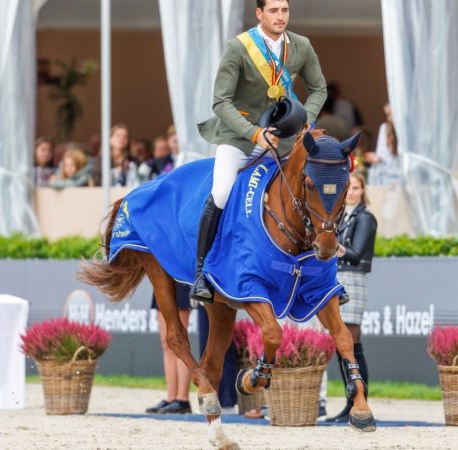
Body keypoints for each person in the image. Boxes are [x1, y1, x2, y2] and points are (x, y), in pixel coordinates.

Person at [191, 0, 327, 302]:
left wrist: (307, 119)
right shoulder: (238, 48)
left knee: (310, 189)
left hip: (284, 138)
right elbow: (220, 102)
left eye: (285, 10)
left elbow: (319, 89)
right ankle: (201, 273)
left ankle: (318, 275)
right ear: (259, 13)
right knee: (223, 192)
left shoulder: (301, 46)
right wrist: (253, 133)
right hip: (241, 138)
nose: (280, 17)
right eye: (274, 11)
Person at [326, 172, 377, 423]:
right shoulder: (341, 216)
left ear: (362, 190)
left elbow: (356, 253)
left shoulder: (365, 217)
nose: (352, 192)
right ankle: (350, 400)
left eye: (356, 188)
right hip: (339, 277)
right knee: (341, 344)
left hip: (354, 279)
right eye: (349, 188)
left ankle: (359, 399)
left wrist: (331, 247)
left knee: (353, 344)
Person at [145, 285, 193, 414]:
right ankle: (171, 398)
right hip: (161, 279)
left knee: (179, 342)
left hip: (179, 278)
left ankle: (182, 399)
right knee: (166, 343)